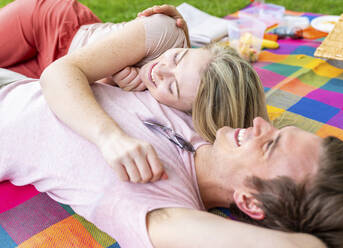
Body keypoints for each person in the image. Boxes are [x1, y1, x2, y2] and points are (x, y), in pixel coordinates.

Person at [0, 71, 343, 248]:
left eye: (269, 145)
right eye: (276, 130)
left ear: (250, 201)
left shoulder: (158, 206)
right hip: (17, 82)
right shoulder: (203, 125)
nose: (259, 124)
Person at [0, 0, 268, 183]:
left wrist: (108, 81)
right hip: (50, 28)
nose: (160, 70)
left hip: (48, 74)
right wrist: (109, 137)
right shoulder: (164, 31)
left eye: (172, 86)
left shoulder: (177, 117)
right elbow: (61, 73)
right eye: (178, 57)